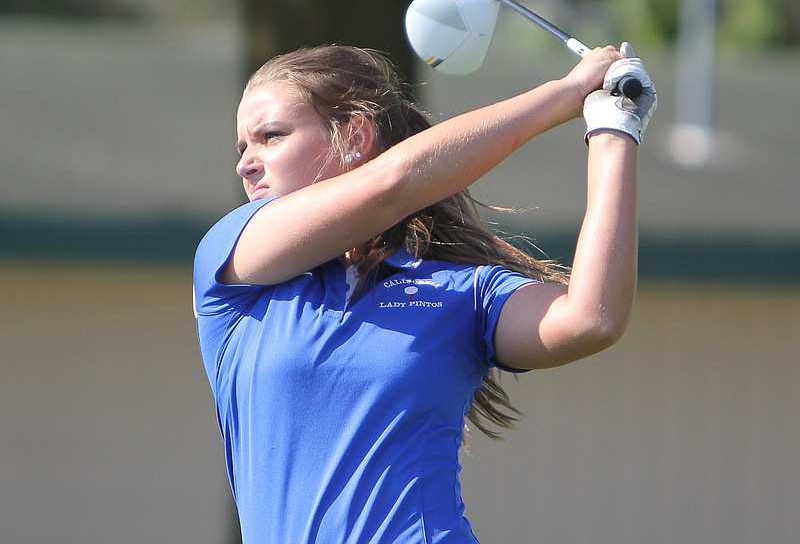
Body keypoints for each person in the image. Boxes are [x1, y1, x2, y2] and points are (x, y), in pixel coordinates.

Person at [193, 43, 656, 543]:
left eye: (270, 137)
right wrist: (565, 92)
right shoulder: (232, 261)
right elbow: (389, 186)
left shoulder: (460, 291)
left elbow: (591, 319)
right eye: (242, 147)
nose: (246, 164)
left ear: (355, 138)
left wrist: (613, 129)